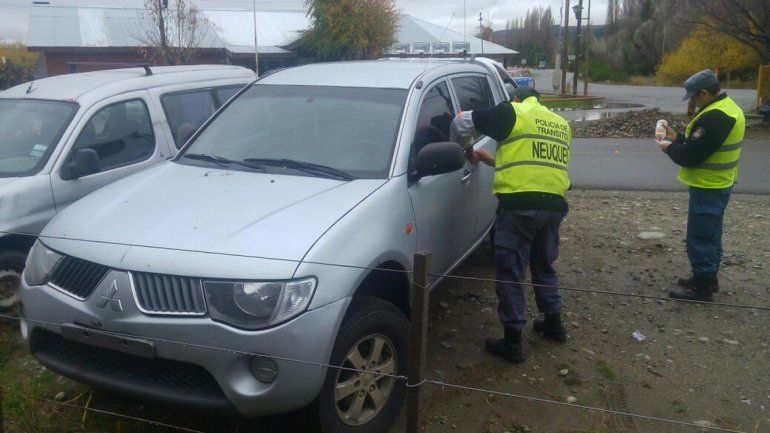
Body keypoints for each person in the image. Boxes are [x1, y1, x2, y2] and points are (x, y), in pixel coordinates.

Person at [451, 87, 571, 363]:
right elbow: (527, 165)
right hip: (552, 207)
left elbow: (461, 121)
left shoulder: (512, 112)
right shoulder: (560, 124)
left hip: (519, 210)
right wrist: (487, 158)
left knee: (511, 271)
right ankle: (554, 324)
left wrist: (469, 148)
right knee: (543, 265)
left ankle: (513, 341)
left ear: (516, 99)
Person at [659, 69, 744, 302]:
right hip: (718, 184)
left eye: (695, 97)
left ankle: (702, 287)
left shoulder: (716, 116)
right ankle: (707, 277)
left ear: (705, 93)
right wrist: (676, 137)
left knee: (701, 235)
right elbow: (699, 144)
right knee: (712, 232)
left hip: (709, 186)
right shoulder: (727, 108)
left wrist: (669, 148)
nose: (693, 102)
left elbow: (691, 156)